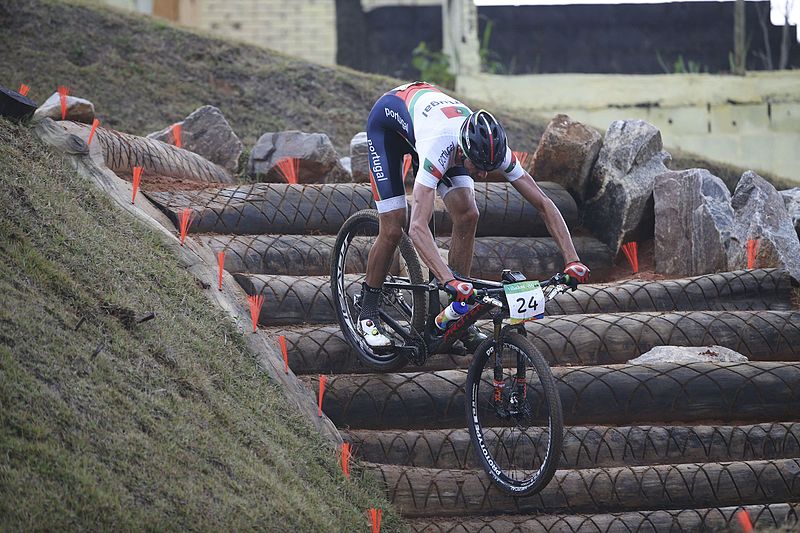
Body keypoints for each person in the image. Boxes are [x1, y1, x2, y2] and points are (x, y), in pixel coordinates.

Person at [358, 81, 590, 350]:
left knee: (468, 213)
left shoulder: (495, 151)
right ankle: (367, 313)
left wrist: (572, 259)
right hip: (389, 124)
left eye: (488, 169)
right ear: (462, 151)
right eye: (478, 168)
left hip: (431, 121)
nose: (481, 175)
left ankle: (458, 316)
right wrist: (448, 280)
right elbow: (417, 227)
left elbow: (543, 203)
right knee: (394, 224)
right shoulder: (438, 147)